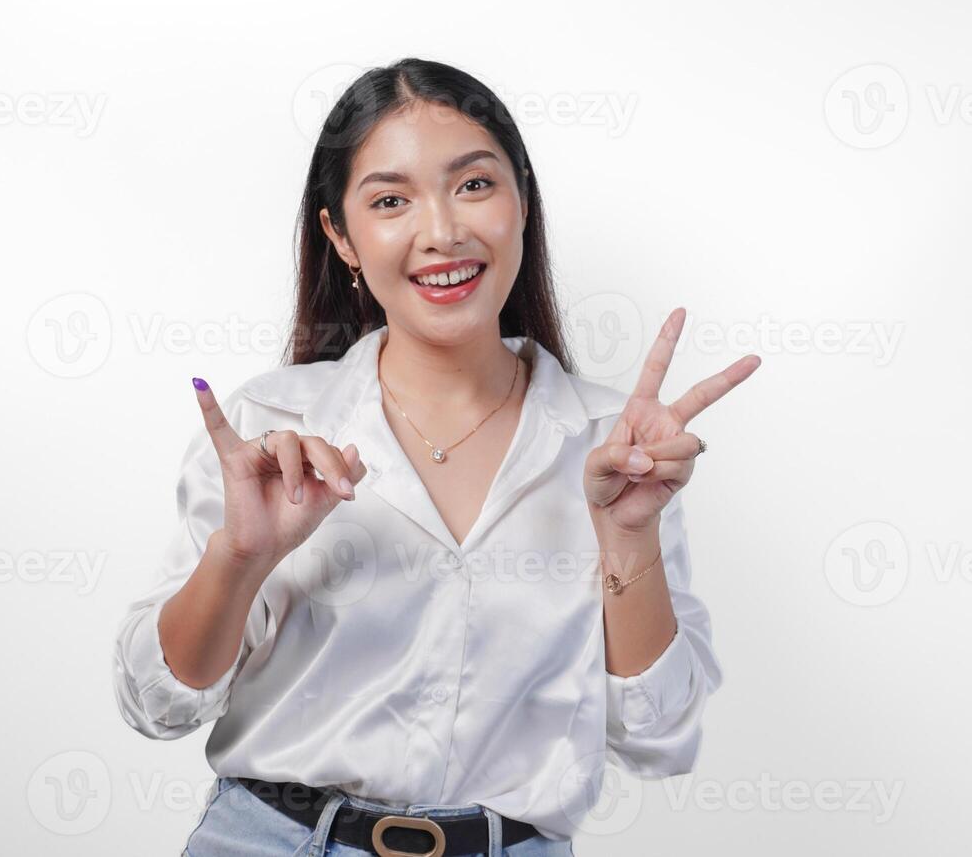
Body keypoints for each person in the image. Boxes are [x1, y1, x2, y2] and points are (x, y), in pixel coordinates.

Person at [113, 57, 760, 856]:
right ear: (341, 238)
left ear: (522, 199)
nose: (442, 231)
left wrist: (629, 537)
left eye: (475, 185)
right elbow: (158, 703)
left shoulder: (615, 447)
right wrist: (240, 556)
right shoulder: (271, 423)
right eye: (390, 200)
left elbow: (658, 731)